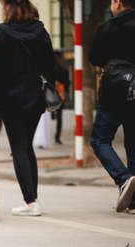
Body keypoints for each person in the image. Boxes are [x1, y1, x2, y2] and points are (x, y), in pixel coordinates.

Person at [0, 0, 55, 216]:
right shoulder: (41, 31)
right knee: (26, 147)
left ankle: (30, 202)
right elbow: (50, 65)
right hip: (35, 99)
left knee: (19, 148)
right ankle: (32, 199)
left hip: (10, 101)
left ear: (8, 7)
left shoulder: (0, 33)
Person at [89, 0, 135, 214]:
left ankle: (123, 178)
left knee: (99, 139)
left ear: (117, 2)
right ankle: (134, 201)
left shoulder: (108, 27)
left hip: (113, 92)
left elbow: (94, 57)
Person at [52, 51, 70, 145]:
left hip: (60, 95)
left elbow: (67, 83)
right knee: (50, 115)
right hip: (50, 95)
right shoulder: (49, 69)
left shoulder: (63, 70)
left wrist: (60, 84)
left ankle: (57, 137)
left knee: (59, 117)